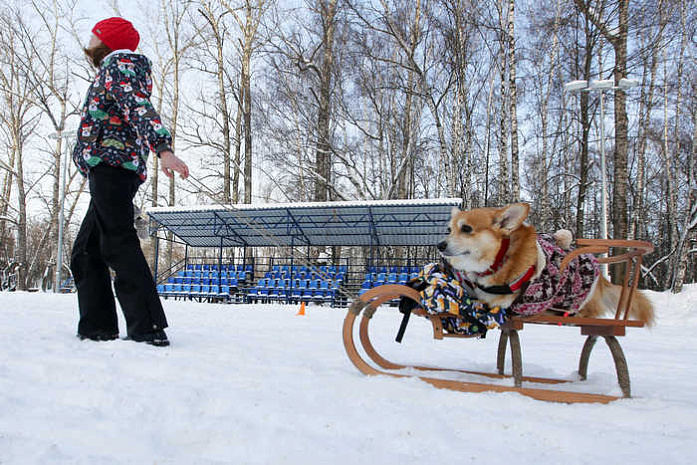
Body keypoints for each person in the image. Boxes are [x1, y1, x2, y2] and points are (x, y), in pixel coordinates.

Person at [71, 17, 189, 347]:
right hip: (106, 168)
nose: (90, 39)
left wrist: (163, 149)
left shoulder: (119, 65)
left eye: (95, 34)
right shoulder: (115, 68)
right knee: (85, 251)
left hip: (112, 167)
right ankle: (98, 327)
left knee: (117, 242)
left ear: (106, 40)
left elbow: (138, 107)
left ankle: (147, 326)